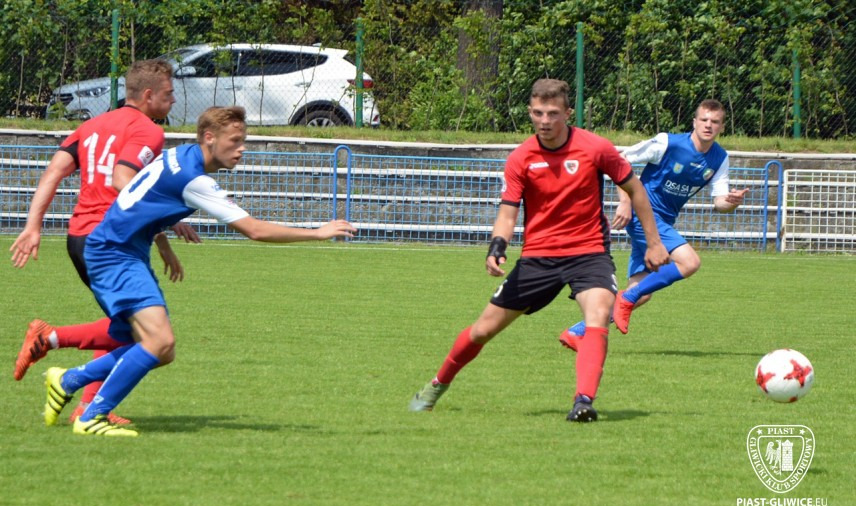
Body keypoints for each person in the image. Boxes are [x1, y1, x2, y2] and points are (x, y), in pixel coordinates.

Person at [41, 106, 356, 437]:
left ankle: (69, 380)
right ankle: (92, 416)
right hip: (114, 253)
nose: (241, 149)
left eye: (243, 141)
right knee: (158, 341)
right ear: (209, 138)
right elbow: (254, 230)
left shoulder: (181, 154)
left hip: (122, 250)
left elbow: (146, 197)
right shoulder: (195, 180)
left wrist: (162, 240)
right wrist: (317, 232)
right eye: (234, 141)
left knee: (160, 350)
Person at [408, 79, 669, 422]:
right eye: (538, 113)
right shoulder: (521, 158)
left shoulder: (595, 148)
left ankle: (583, 401)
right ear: (530, 112)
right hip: (538, 258)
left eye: (553, 113)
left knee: (598, 312)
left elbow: (636, 190)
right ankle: (436, 386)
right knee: (483, 330)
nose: (545, 121)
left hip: (588, 252)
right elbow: (508, 212)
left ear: (567, 113)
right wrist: (497, 246)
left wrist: (654, 242)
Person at [10, 59, 197, 424]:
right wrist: (166, 224)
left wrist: (33, 226)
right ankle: (57, 352)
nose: (174, 99)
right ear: (148, 95)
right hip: (112, 242)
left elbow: (54, 171)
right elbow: (126, 186)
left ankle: (86, 401)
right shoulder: (148, 131)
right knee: (148, 337)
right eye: (169, 93)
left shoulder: (91, 126)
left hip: (81, 238)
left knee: (126, 328)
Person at [559, 99, 749, 350]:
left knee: (643, 291)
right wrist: (625, 200)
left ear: (722, 127)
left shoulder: (719, 158)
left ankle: (577, 332)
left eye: (714, 122)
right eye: (703, 120)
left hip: (663, 221)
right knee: (689, 262)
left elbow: (719, 202)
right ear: (694, 122)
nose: (708, 125)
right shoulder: (667, 143)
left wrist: (732, 202)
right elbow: (619, 160)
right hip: (644, 215)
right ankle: (627, 298)